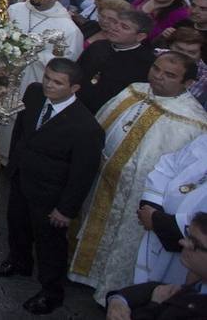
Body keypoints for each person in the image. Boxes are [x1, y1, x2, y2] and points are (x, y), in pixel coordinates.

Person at [69, 52, 207, 303]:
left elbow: (176, 167)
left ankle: (112, 288)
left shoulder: (192, 121)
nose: (158, 77)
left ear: (187, 83)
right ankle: (79, 271)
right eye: (156, 69)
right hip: (101, 180)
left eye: (170, 75)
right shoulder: (134, 90)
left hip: (137, 197)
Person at [0, 59, 103, 315]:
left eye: (57, 82)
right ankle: (18, 262)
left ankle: (51, 292)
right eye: (48, 78)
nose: (49, 85)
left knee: (49, 245)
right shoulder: (33, 92)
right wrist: (13, 166)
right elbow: (21, 131)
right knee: (16, 224)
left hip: (51, 194)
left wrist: (66, 209)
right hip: (21, 180)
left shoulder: (86, 128)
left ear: (74, 88)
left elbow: (82, 173)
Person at [133, 133, 207, 287]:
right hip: (158, 219)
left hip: (191, 253)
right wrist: (153, 204)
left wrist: (158, 221)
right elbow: (169, 164)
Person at [106, 211, 207, 320]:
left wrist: (153, 306)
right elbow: (158, 289)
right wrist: (119, 301)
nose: (182, 242)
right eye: (187, 235)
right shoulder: (199, 284)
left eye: (194, 243)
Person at [78, 9, 159, 112]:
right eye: (116, 23)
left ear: (140, 36)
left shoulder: (146, 64)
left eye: (124, 27)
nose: (115, 28)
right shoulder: (98, 46)